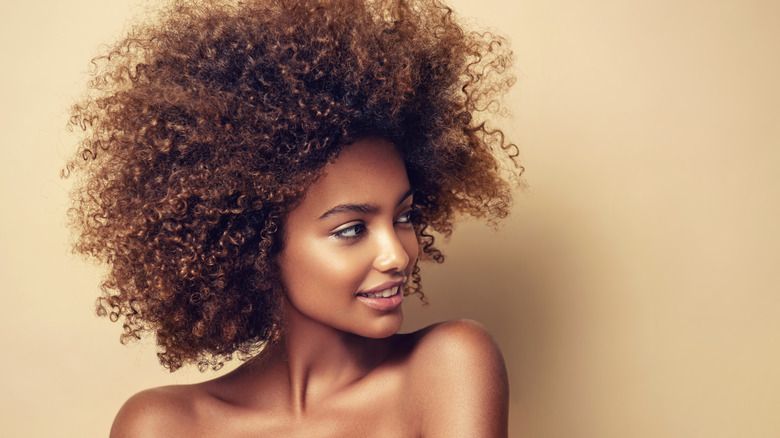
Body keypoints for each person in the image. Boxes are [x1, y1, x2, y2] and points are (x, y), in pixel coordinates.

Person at [65, 0, 521, 435]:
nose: (397, 254)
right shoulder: (164, 426)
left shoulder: (448, 366)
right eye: (352, 229)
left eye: (404, 216)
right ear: (255, 245)